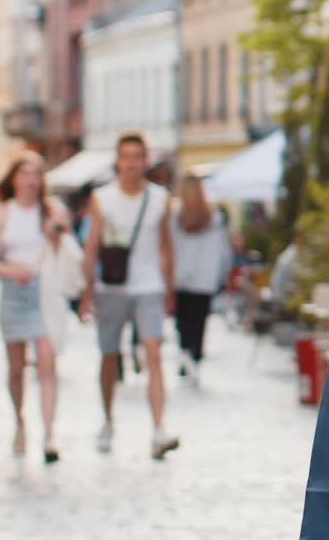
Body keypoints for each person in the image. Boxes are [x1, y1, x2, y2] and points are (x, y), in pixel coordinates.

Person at [79, 132, 180, 459]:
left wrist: (169, 288)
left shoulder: (159, 198)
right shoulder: (102, 198)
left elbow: (165, 245)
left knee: (153, 353)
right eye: (127, 156)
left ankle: (159, 428)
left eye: (138, 156)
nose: (132, 163)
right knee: (109, 355)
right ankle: (107, 420)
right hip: (112, 287)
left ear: (145, 161)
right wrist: (86, 291)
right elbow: (91, 245)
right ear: (118, 161)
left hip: (148, 286)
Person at [0, 151, 72, 463]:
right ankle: (20, 421)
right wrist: (13, 270)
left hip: (44, 290)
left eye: (36, 174)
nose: (31, 180)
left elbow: (66, 249)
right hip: (13, 291)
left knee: (47, 361)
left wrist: (55, 233)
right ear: (14, 178)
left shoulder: (52, 209)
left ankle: (49, 433)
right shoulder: (0, 210)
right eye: (25, 174)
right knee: (17, 368)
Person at [169, 175, 231, 384]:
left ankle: (185, 351)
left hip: (181, 276)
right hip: (204, 278)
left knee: (182, 320)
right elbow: (222, 250)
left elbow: (170, 247)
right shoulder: (214, 217)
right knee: (199, 321)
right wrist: (222, 273)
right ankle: (194, 355)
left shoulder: (175, 216)